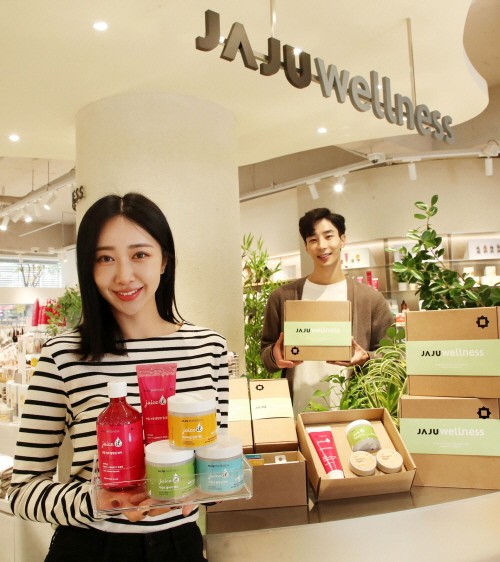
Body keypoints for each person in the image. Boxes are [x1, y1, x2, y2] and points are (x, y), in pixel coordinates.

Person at [8, 192, 229, 562]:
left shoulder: (209, 348)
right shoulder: (63, 355)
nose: (124, 275)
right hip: (92, 548)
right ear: (89, 267)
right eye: (105, 258)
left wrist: (204, 490)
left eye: (139, 254)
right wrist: (96, 500)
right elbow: (22, 490)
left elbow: (213, 460)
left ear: (164, 260)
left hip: (181, 546)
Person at [261, 207, 393, 416]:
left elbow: (393, 355)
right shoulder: (283, 297)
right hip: (297, 411)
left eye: (329, 236)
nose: (322, 245)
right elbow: (266, 352)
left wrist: (366, 357)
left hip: (353, 413)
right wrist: (275, 356)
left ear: (342, 239)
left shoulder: (370, 299)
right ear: (306, 246)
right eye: (313, 240)